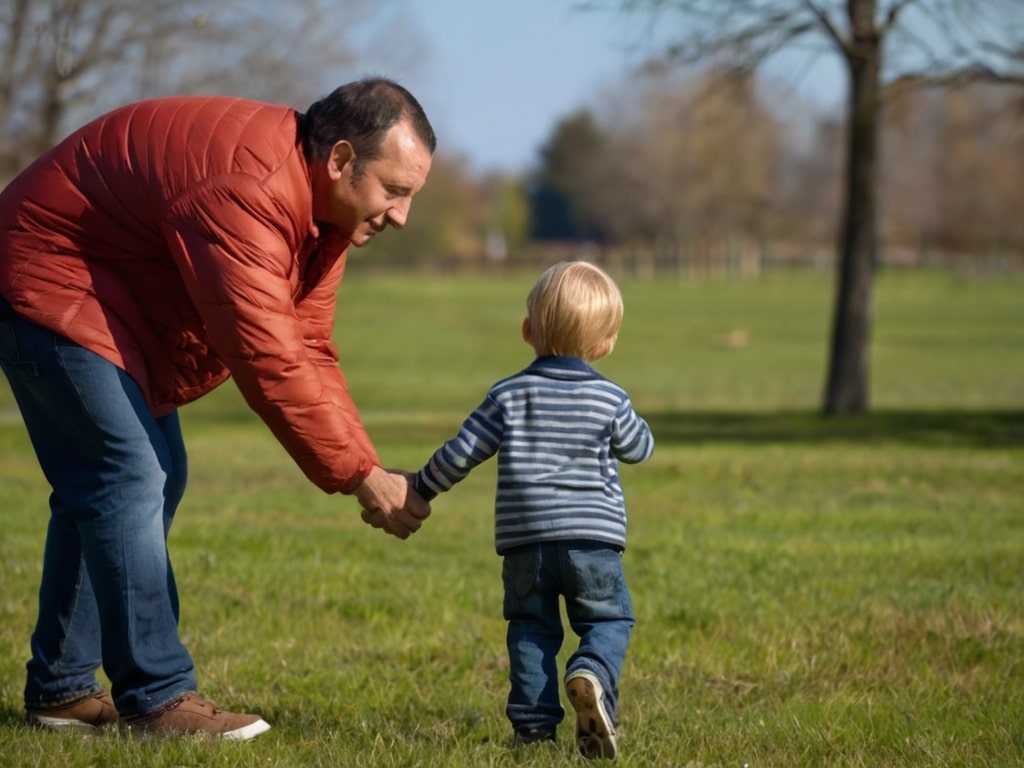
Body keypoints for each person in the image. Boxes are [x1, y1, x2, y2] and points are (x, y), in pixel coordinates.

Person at [0, 76, 435, 739]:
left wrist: (366, 467)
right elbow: (267, 356)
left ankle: (61, 690)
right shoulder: (250, 188)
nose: (402, 216)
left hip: (106, 297)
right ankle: (156, 699)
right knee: (127, 474)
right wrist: (357, 477)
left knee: (142, 475)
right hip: (45, 273)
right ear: (342, 159)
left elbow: (308, 344)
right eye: (395, 191)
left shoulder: (322, 217)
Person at [411, 261, 654, 760]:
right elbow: (639, 448)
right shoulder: (609, 397)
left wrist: (420, 487)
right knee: (607, 622)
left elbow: (463, 451)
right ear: (606, 344)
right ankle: (593, 675)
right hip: (594, 543)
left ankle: (533, 730)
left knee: (531, 629)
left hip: (525, 545)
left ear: (528, 331)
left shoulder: (507, 394)